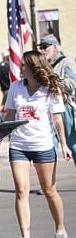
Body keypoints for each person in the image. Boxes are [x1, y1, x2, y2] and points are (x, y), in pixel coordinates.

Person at [3, 50, 72, 238]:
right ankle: (25, 237)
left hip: (42, 145)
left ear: (33, 68)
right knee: (21, 191)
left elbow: (57, 119)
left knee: (50, 190)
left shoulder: (50, 89)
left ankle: (60, 229)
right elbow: (10, 115)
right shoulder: (16, 88)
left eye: (24, 65)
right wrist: (0, 137)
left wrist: (64, 145)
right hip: (19, 146)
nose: (20, 68)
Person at [38, 34, 76, 167]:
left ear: (55, 48)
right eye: (40, 48)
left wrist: (54, 82)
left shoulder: (66, 62)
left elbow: (73, 83)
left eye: (45, 47)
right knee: (49, 147)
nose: (42, 51)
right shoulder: (44, 66)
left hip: (65, 108)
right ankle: (49, 184)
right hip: (48, 110)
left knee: (73, 145)